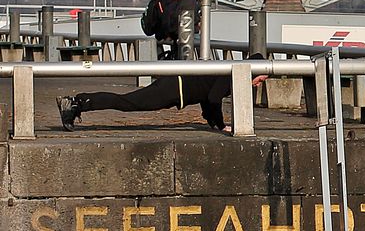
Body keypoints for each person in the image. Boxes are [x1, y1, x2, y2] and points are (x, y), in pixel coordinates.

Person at [56, 53, 267, 133]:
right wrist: (221, 125)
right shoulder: (230, 75)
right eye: (260, 79)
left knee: (129, 102)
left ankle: (77, 102)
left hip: (176, 86)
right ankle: (76, 103)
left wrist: (212, 122)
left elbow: (207, 96)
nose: (258, 84)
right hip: (174, 88)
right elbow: (213, 98)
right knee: (129, 102)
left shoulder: (229, 70)